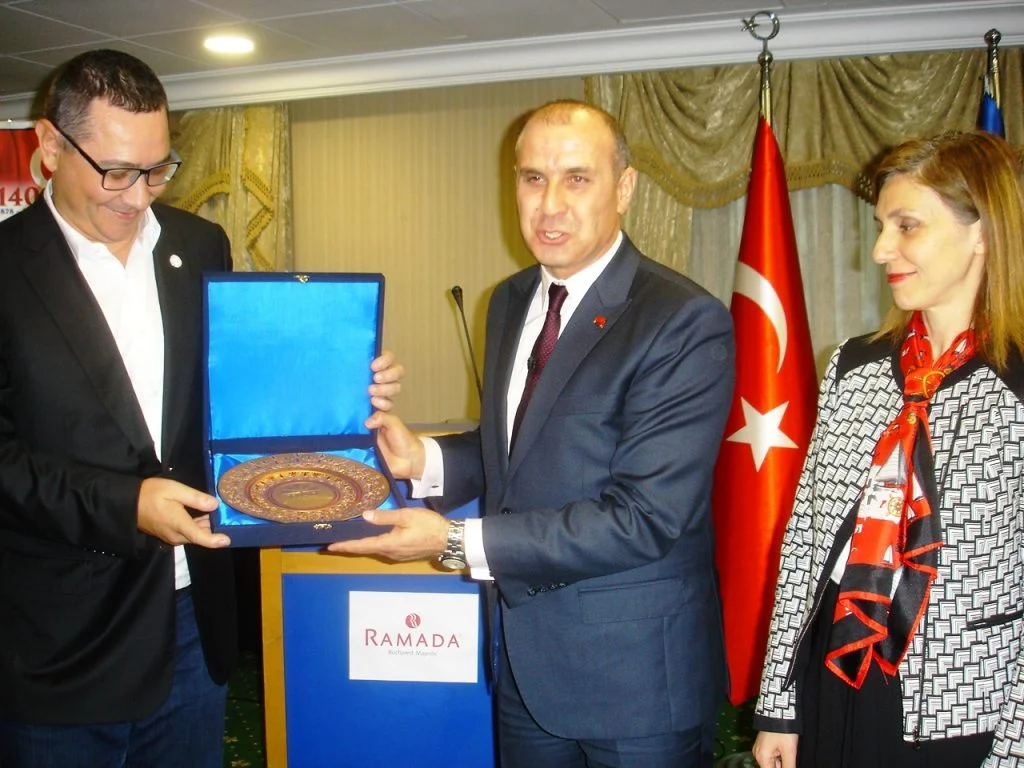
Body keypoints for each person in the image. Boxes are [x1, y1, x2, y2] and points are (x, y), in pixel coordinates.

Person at [0, 49, 403, 768]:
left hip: (193, 618)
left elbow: (235, 388)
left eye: (157, 169)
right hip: (61, 643)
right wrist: (125, 505)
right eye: (116, 171)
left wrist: (345, 386)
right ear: (51, 146)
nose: (137, 197)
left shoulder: (198, 243)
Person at [328, 99, 734, 768]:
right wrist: (423, 458)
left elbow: (645, 517)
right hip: (524, 662)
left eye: (577, 179)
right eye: (533, 178)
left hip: (636, 682)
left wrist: (454, 541)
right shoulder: (510, 299)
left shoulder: (681, 320)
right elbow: (520, 448)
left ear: (624, 189)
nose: (550, 205)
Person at [752, 129, 1024, 768]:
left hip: (964, 704)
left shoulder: (1016, 387)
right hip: (834, 675)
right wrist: (778, 706)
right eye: (881, 227)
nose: (880, 250)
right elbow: (806, 541)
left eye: (907, 226)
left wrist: (1015, 748)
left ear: (982, 232)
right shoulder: (855, 367)